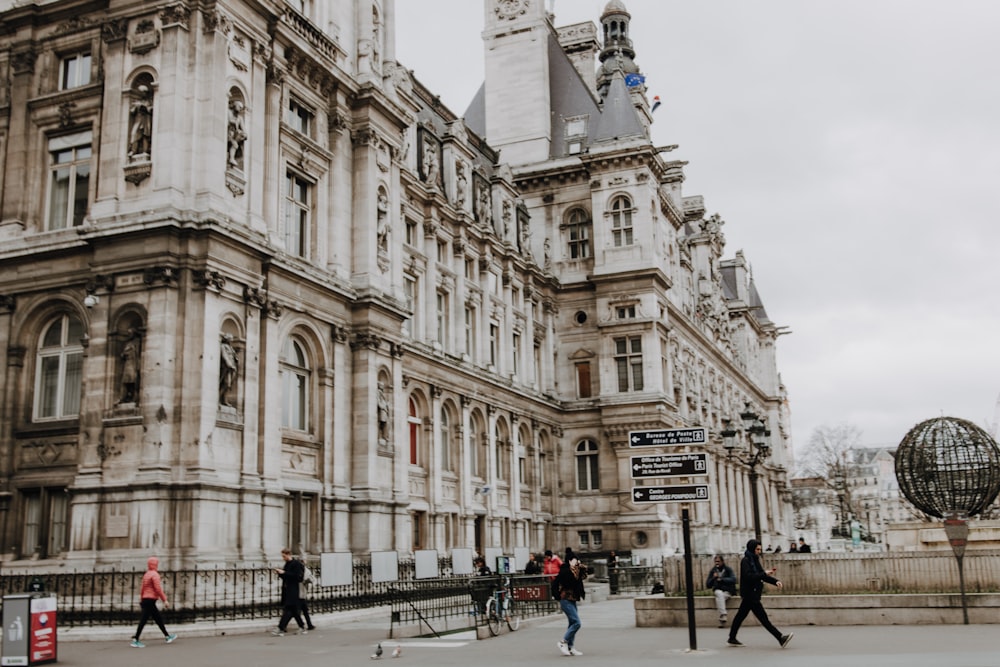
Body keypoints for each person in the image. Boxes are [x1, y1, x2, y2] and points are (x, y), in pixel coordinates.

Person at [727, 539, 792, 649]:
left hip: (753, 594)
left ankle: (732, 637)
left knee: (740, 616)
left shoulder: (755, 560)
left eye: (760, 549)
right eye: (757, 549)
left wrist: (775, 581)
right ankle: (780, 638)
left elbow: (762, 576)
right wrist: (763, 573)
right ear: (752, 549)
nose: (759, 551)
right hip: (750, 595)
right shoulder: (746, 561)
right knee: (763, 619)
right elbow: (749, 576)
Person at [131, 556, 177, 648]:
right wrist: (165, 600)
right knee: (144, 620)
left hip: (146, 599)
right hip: (150, 600)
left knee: (158, 618)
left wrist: (142, 599)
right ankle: (136, 639)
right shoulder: (155, 574)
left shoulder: (147, 574)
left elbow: (143, 588)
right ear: (155, 564)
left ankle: (167, 636)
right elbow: (158, 588)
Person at [552, 549, 586, 656]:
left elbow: (583, 576)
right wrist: (557, 596)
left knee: (572, 623)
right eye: (575, 560)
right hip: (565, 599)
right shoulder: (565, 571)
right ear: (570, 561)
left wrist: (579, 570)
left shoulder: (575, 571)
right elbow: (558, 583)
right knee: (577, 623)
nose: (577, 562)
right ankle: (563, 642)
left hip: (573, 599)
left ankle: (570, 647)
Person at [272, 548, 307, 636]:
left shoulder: (296, 564)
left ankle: (280, 628)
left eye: (284, 556)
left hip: (293, 590)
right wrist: (280, 573)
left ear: (288, 554)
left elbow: (297, 577)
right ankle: (302, 627)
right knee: (294, 611)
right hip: (287, 589)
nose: (283, 558)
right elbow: (286, 576)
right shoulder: (287, 564)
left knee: (288, 609)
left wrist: (284, 572)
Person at [705, 554, 737, 627]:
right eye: (716, 561)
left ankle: (722, 616)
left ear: (722, 562)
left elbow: (733, 579)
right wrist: (713, 578)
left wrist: (722, 579)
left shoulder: (728, 569)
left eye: (718, 561)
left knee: (719, 598)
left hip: (728, 591)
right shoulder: (713, 571)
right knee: (719, 594)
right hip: (718, 590)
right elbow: (708, 584)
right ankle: (723, 614)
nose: (717, 563)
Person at [298, 557, 316, 631]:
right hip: (300, 592)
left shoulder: (306, 570)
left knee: (302, 610)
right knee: (298, 611)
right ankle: (308, 625)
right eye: (303, 561)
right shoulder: (304, 570)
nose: (304, 563)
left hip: (301, 592)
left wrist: (306, 581)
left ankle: (308, 624)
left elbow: (312, 579)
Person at [219, 334, 238, 406]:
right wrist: (229, 364)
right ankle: (219, 399)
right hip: (227, 368)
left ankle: (224, 400)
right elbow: (224, 356)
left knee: (229, 385)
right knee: (226, 383)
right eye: (230, 339)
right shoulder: (223, 346)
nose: (231, 340)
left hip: (232, 368)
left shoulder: (231, 348)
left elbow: (234, 356)